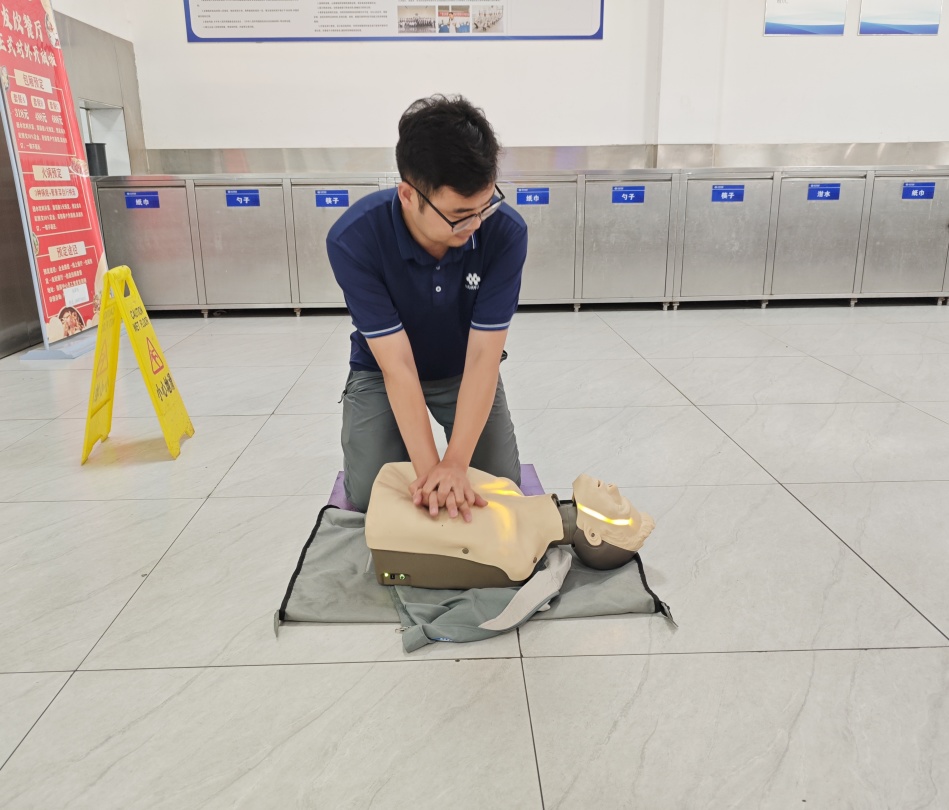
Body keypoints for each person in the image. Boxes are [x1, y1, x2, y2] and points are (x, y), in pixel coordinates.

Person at [327, 95, 527, 522]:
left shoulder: (505, 232)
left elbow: (484, 356)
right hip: (381, 373)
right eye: (459, 214)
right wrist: (431, 473)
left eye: (485, 205)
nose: (475, 224)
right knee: (369, 494)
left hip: (464, 369)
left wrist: (455, 464)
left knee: (500, 484)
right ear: (408, 194)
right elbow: (396, 364)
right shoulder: (355, 240)